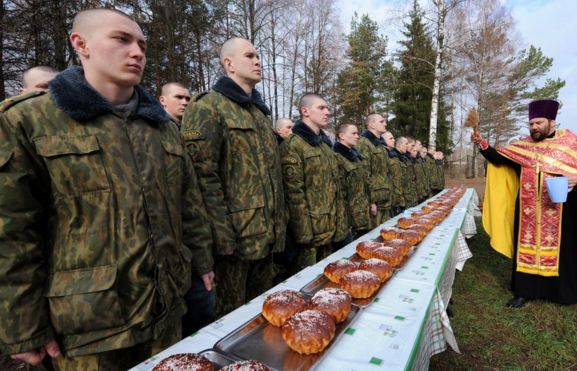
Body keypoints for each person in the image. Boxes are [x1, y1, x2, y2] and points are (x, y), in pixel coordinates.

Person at [0, 8, 214, 369]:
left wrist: (202, 261)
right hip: (87, 328)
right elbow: (12, 232)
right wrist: (22, 324)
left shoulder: (159, 126)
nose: (138, 52)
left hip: (165, 311)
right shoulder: (28, 120)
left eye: (143, 44)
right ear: (80, 44)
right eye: (122, 39)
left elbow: (188, 204)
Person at [472, 99, 577, 308]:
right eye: (531, 124)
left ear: (552, 122)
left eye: (539, 123)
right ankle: (524, 291)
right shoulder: (523, 147)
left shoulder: (569, 143)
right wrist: (482, 144)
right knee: (525, 248)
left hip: (561, 211)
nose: (534, 127)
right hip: (528, 210)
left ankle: (563, 292)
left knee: (564, 249)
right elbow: (500, 159)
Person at [181, 37, 287, 317]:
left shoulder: (260, 115)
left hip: (266, 238)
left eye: (258, 55)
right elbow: (202, 180)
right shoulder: (207, 107)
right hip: (234, 244)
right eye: (249, 56)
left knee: (263, 317)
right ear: (228, 64)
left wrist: (279, 226)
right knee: (230, 321)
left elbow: (270, 177)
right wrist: (222, 240)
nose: (258, 61)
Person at [281, 94, 347, 271]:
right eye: (321, 108)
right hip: (309, 237)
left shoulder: (324, 147)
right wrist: (303, 234)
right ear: (305, 111)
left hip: (329, 230)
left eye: (327, 108)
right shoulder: (293, 145)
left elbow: (335, 188)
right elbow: (293, 193)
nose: (327, 112)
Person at [334, 123, 370, 239]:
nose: (357, 136)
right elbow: (339, 194)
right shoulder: (337, 158)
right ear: (342, 136)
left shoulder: (355, 157)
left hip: (361, 215)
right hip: (349, 221)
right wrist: (344, 222)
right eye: (353, 133)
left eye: (357, 133)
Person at [357, 114, 392, 228]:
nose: (385, 124)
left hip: (384, 198)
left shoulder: (380, 145)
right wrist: (371, 202)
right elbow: (364, 173)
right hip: (375, 202)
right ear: (371, 125)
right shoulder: (364, 143)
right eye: (381, 121)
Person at [382, 131, 405, 215]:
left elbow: (397, 178)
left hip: (396, 198)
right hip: (387, 199)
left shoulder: (393, 156)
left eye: (393, 138)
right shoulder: (383, 155)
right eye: (391, 138)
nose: (394, 140)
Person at [394, 136, 418, 208]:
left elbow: (411, 179)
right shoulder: (395, 158)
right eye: (406, 144)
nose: (408, 146)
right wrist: (400, 200)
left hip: (409, 196)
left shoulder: (405, 158)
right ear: (398, 145)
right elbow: (396, 181)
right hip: (401, 199)